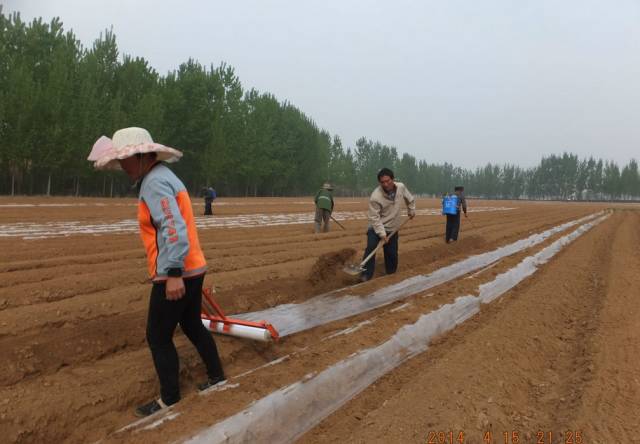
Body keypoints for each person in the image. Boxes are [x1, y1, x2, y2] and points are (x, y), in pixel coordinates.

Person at [87, 127, 225, 417]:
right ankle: (216, 377)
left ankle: (169, 399)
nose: (122, 167)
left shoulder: (154, 183)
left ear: (141, 156)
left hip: (177, 271)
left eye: (124, 160)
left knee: (157, 336)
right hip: (193, 267)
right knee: (191, 325)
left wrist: (173, 272)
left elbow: (173, 228)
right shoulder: (165, 177)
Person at [360, 168, 416, 282]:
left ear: (393, 179)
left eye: (388, 181)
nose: (386, 184)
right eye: (382, 182)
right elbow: (374, 218)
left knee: (392, 253)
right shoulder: (375, 197)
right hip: (376, 227)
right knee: (371, 248)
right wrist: (382, 234)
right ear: (379, 183)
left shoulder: (401, 187)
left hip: (393, 227)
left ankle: (391, 274)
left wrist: (411, 210)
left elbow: (410, 199)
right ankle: (365, 275)